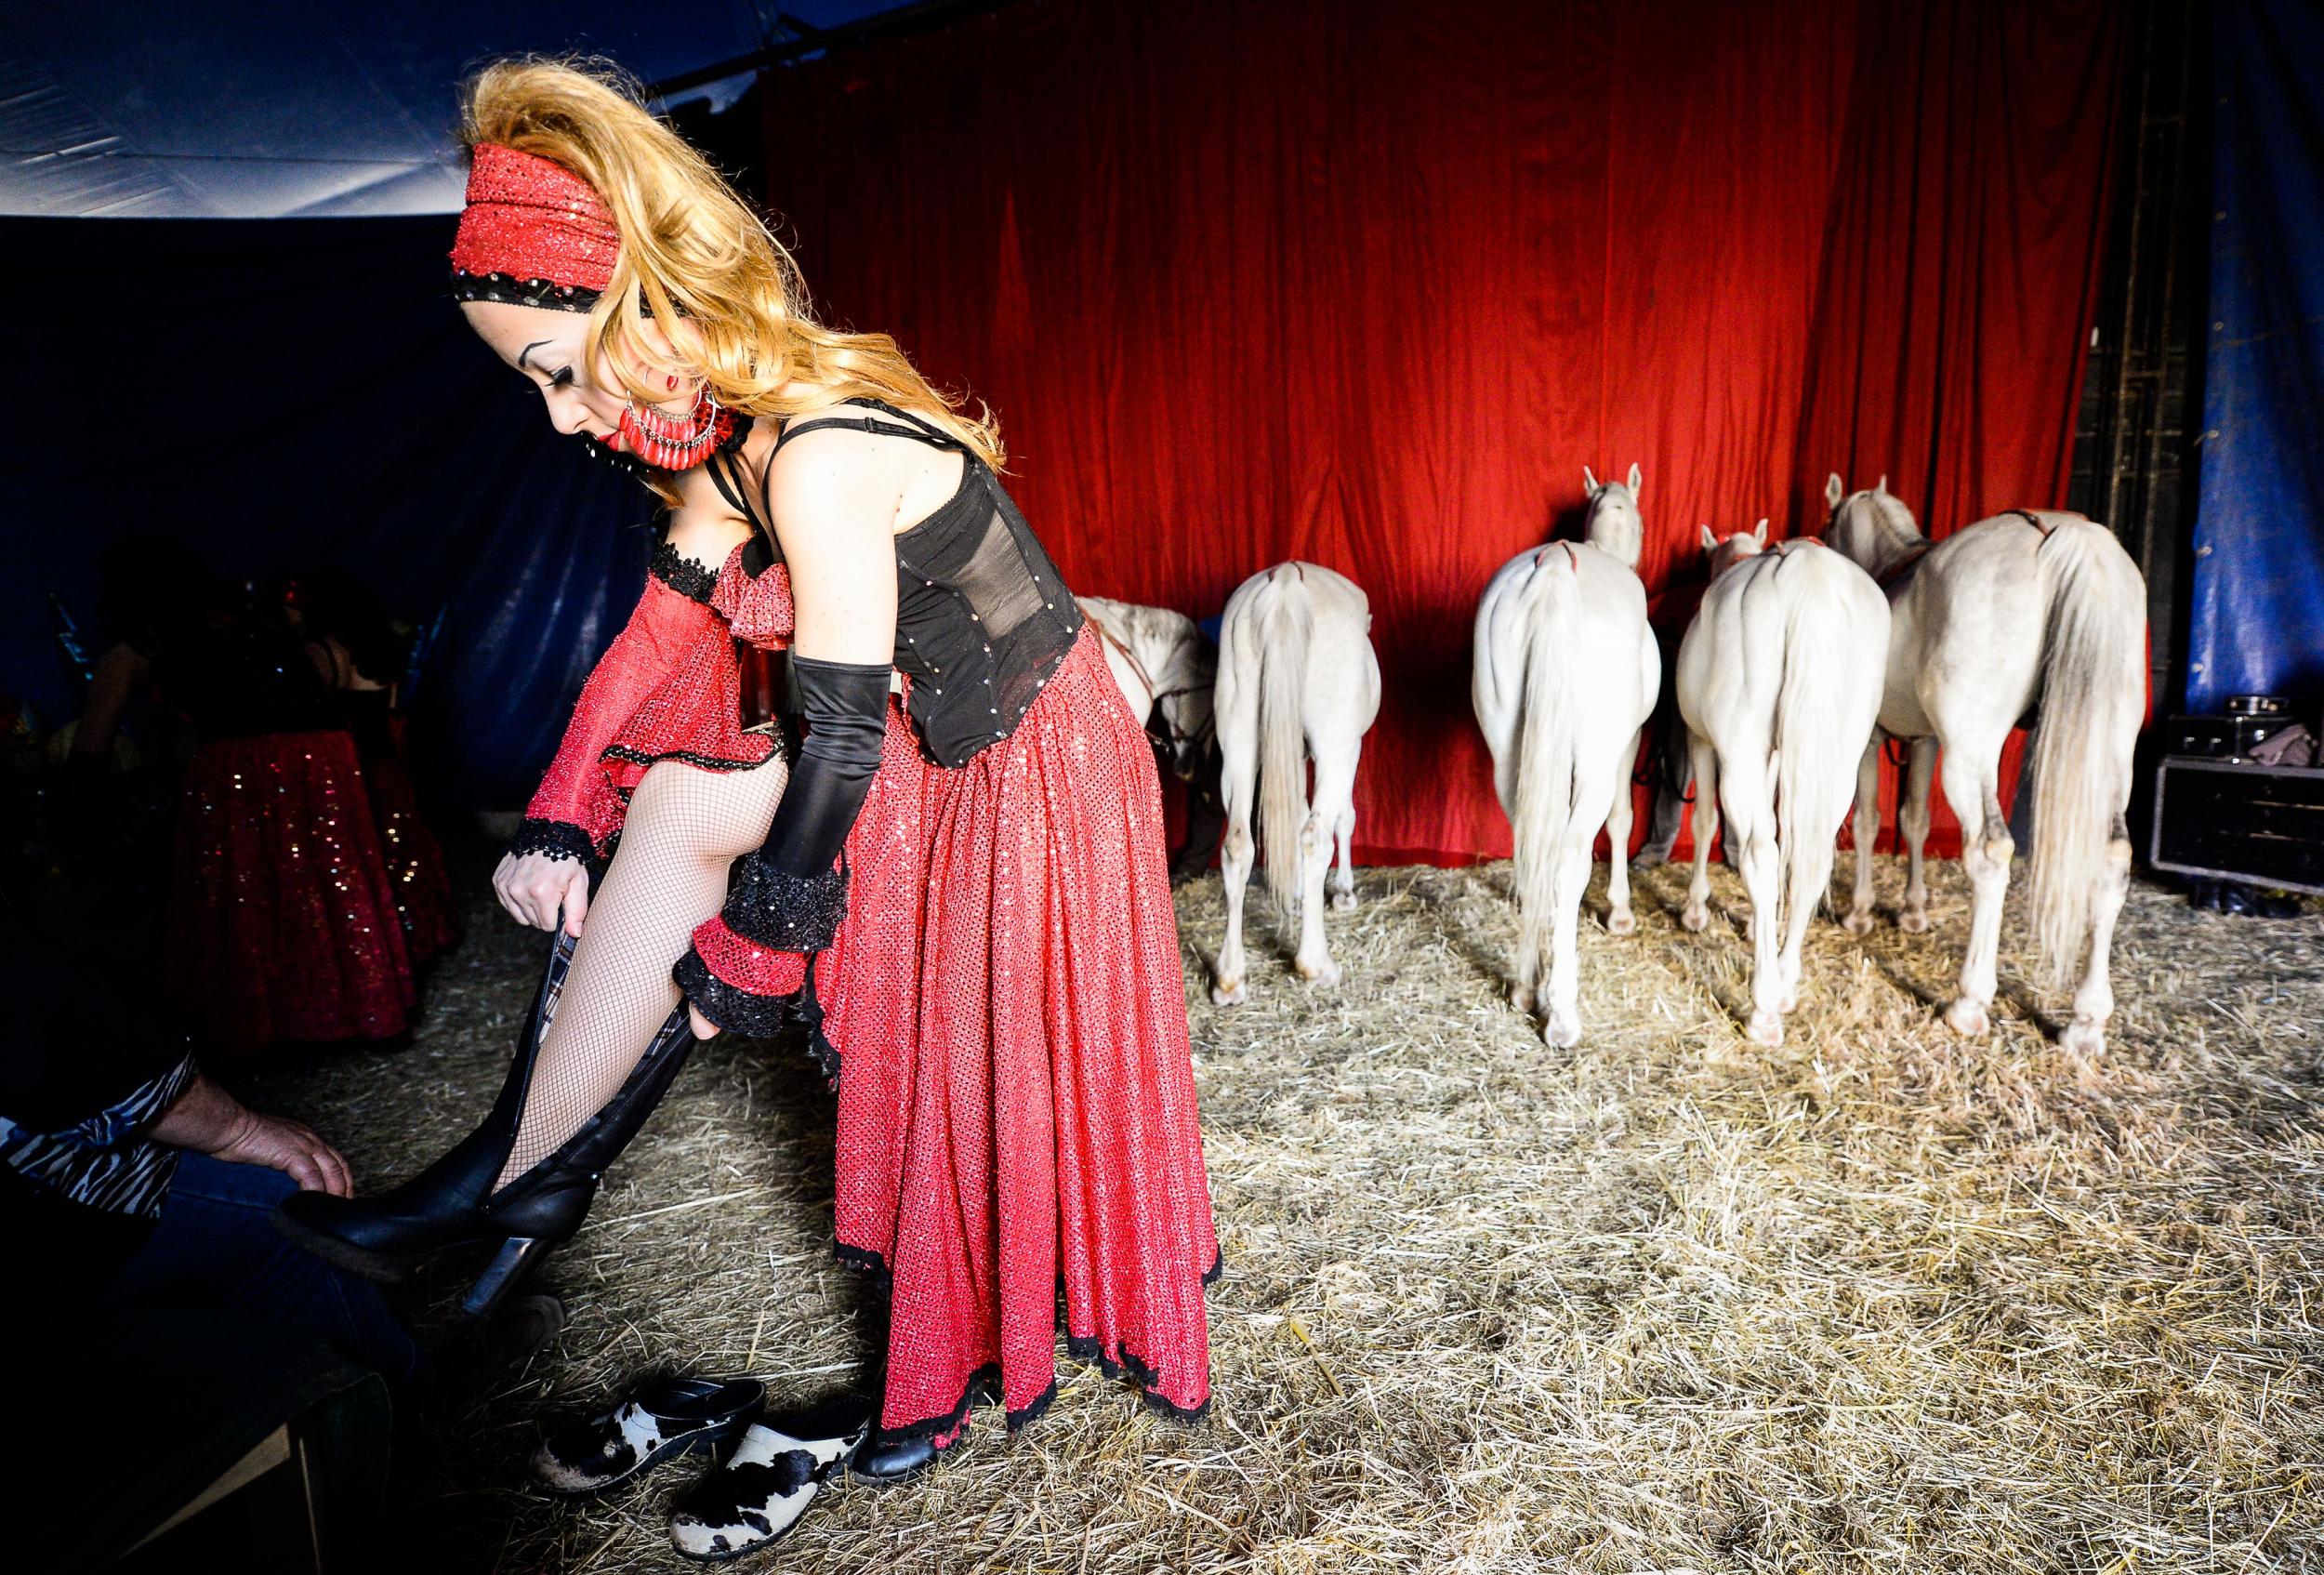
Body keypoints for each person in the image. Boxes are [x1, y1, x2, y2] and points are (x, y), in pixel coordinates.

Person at [281, 60, 1216, 1476]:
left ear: (637, 290)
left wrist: (761, 947)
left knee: (951, 1065)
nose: (556, 417)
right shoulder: (738, 448)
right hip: (913, 743)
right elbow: (656, 644)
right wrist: (555, 818)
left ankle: (916, 1360)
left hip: (1027, 762)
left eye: (550, 370)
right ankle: (512, 1169)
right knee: (670, 798)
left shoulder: (820, 453)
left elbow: (834, 734)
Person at [293, 567, 460, 964]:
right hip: (388, 769)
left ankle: (380, 950)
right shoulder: (381, 648)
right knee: (398, 856)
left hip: (353, 773)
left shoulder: (322, 651)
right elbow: (392, 712)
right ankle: (411, 942)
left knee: (364, 864)